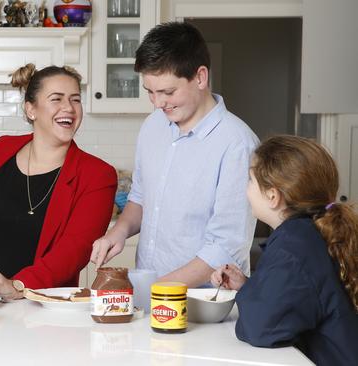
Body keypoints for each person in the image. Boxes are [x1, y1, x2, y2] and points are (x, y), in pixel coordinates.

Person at [90, 22, 259, 287]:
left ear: (200, 77)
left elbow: (225, 246)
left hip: (203, 305)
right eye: (150, 92)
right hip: (150, 298)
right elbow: (140, 198)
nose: (158, 103)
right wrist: (118, 232)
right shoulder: (153, 126)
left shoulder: (238, 144)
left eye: (167, 92)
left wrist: (153, 290)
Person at [0, 64, 117, 299]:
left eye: (75, 99)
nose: (69, 108)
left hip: (38, 305)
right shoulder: (0, 149)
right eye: (56, 99)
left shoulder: (97, 175)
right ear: (31, 109)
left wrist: (17, 286)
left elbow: (74, 251)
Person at [210, 135, 358, 366]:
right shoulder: (311, 231)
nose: (246, 189)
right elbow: (306, 297)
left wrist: (249, 295)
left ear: (272, 196)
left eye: (250, 180)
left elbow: (261, 327)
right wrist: (249, 286)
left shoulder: (294, 245)